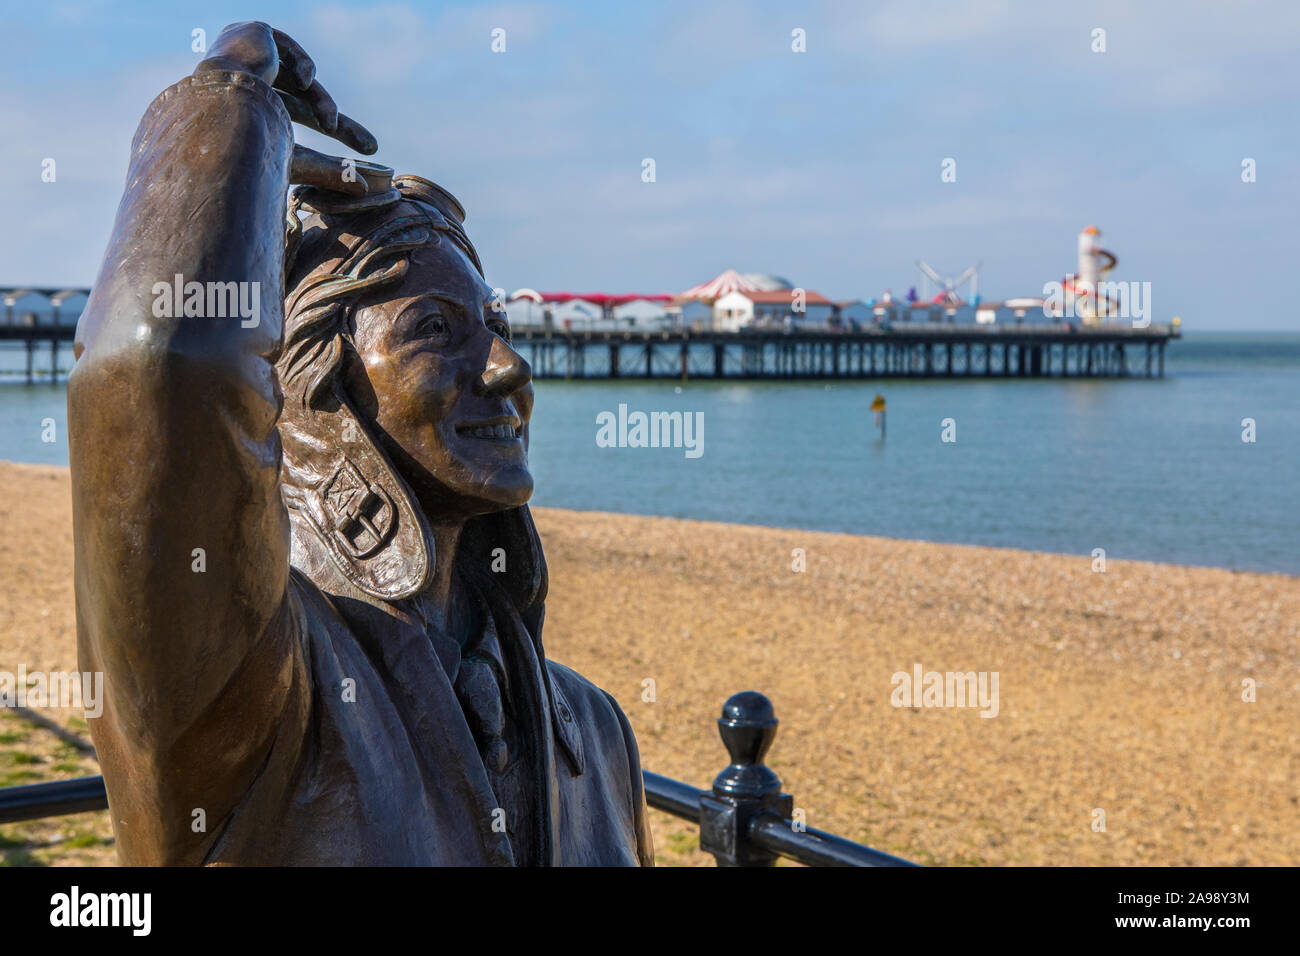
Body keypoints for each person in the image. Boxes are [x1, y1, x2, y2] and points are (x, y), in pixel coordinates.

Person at [69, 21, 652, 866]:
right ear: (315, 388)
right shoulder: (259, 689)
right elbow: (159, 365)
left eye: (494, 325)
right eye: (433, 330)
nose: (507, 366)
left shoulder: (594, 730)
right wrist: (235, 109)